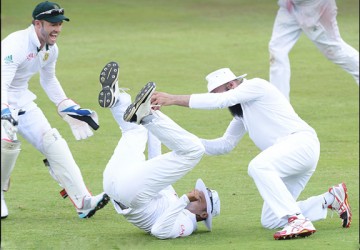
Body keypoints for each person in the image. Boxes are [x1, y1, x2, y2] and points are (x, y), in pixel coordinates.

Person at [150, 67, 352, 240]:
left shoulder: (256, 85)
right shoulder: (242, 113)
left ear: (231, 86)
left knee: (258, 166)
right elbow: (224, 145)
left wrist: (173, 99)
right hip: (290, 156)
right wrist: (183, 142)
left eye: (217, 93)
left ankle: (298, 221)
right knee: (271, 220)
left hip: (300, 143)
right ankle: (330, 199)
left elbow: (222, 101)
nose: (220, 101)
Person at [1, 1, 109, 219]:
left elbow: (49, 80)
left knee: (53, 141)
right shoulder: (15, 44)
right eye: (52, 23)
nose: (57, 28)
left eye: (60, 23)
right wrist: (4, 111)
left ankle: (84, 201)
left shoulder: (51, 49)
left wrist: (67, 105)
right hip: (2, 98)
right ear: (37, 23)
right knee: (7, 144)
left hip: (22, 101)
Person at [97, 62, 220, 239]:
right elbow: (156, 158)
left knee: (195, 151)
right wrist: (155, 115)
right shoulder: (173, 197)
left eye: (200, 199)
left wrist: (184, 200)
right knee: (135, 129)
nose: (196, 194)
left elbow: (159, 231)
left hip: (128, 194)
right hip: (117, 182)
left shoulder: (186, 225)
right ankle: (117, 99)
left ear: (203, 215)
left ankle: (146, 116)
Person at [269, 0, 359, 100]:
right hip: (289, 5)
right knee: (277, 50)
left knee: (335, 50)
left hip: (315, 5)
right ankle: (280, 106)